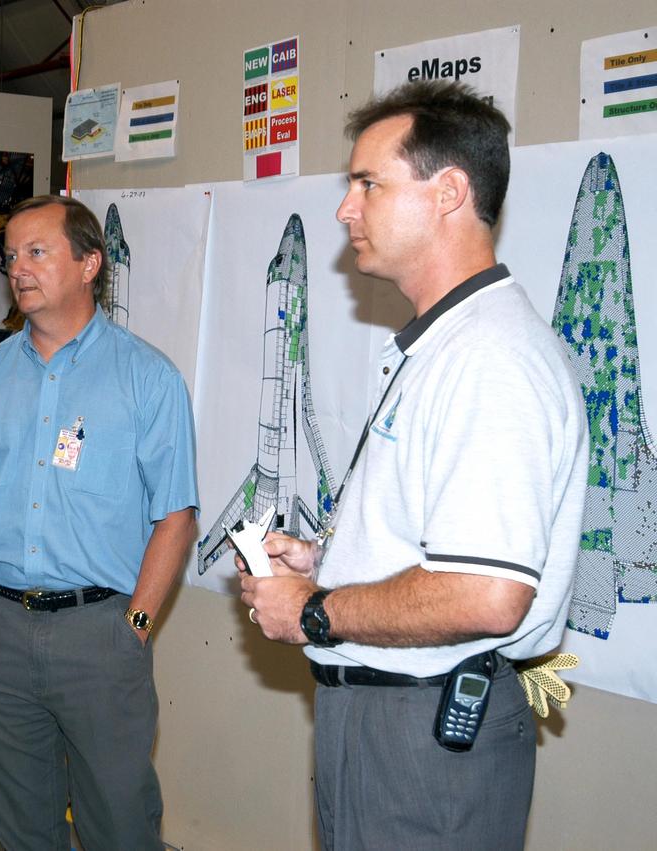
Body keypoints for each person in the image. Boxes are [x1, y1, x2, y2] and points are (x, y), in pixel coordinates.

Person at [240, 80, 588, 850]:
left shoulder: (490, 358)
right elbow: (439, 546)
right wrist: (329, 562)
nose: (345, 209)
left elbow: (487, 593)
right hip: (388, 718)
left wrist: (315, 609)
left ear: (448, 193)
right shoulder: (449, 346)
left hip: (422, 736)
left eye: (368, 183)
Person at [0, 195, 198, 850]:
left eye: (37, 251)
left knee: (120, 823)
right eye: (12, 255)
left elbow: (175, 516)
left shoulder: (147, 378)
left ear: (90, 262)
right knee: (19, 825)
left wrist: (135, 629)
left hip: (100, 636)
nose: (19, 267)